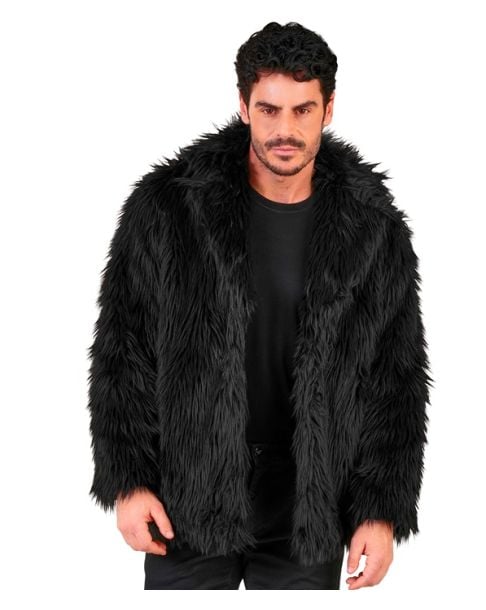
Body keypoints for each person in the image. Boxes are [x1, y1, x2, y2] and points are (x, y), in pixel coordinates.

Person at [86, 21, 433, 590]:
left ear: (328, 110)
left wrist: (380, 509)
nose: (285, 130)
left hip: (309, 500)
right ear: (244, 106)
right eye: (269, 109)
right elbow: (122, 351)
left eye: (303, 110)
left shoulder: (373, 228)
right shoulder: (169, 209)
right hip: (189, 488)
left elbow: (397, 378)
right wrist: (129, 480)